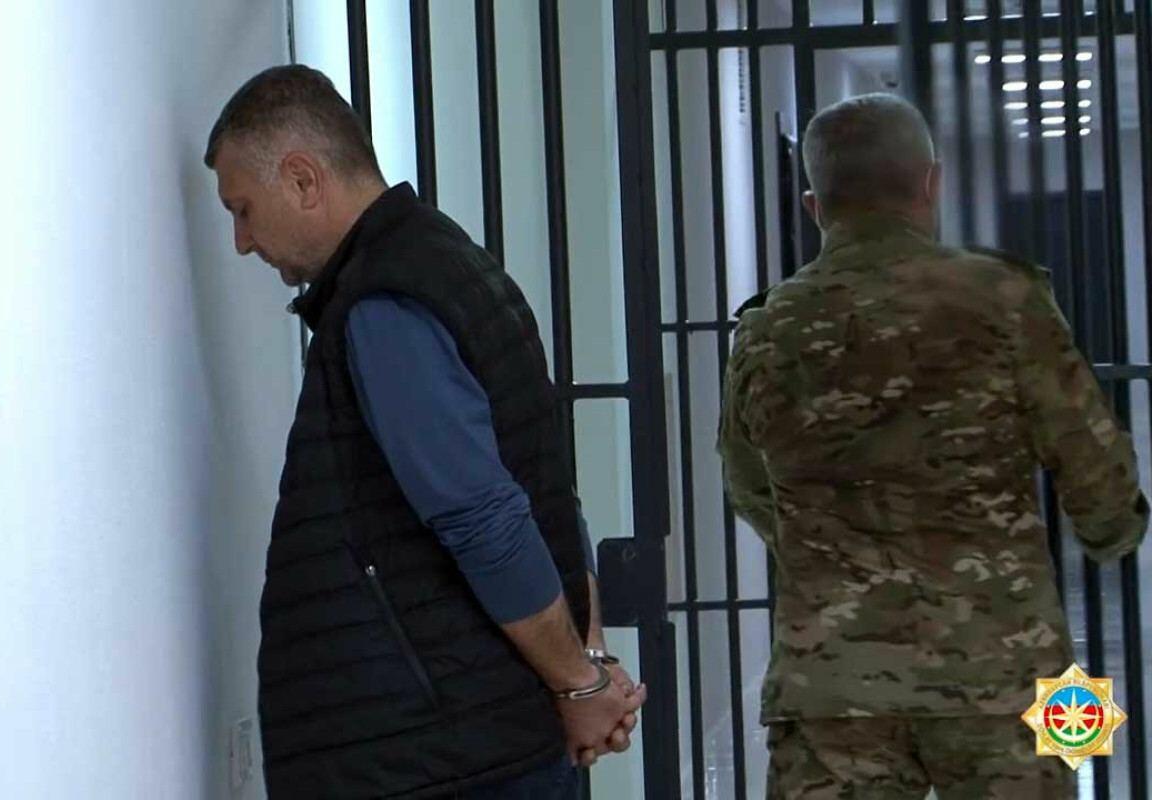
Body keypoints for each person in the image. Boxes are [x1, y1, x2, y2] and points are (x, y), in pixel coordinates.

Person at [204, 65, 646, 799]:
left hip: (436, 760)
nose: (243, 242)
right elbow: (549, 492)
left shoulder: (385, 303)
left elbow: (484, 517)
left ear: (304, 179)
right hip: (481, 739)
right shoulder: (457, 265)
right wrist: (588, 664)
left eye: (244, 210)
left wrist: (579, 683)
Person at [718, 92, 1147, 799]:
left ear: (814, 206)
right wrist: (1111, 535)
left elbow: (746, 483)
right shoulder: (1004, 299)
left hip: (832, 685)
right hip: (1007, 671)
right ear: (931, 183)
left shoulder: (768, 327)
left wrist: (831, 549)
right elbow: (1093, 467)